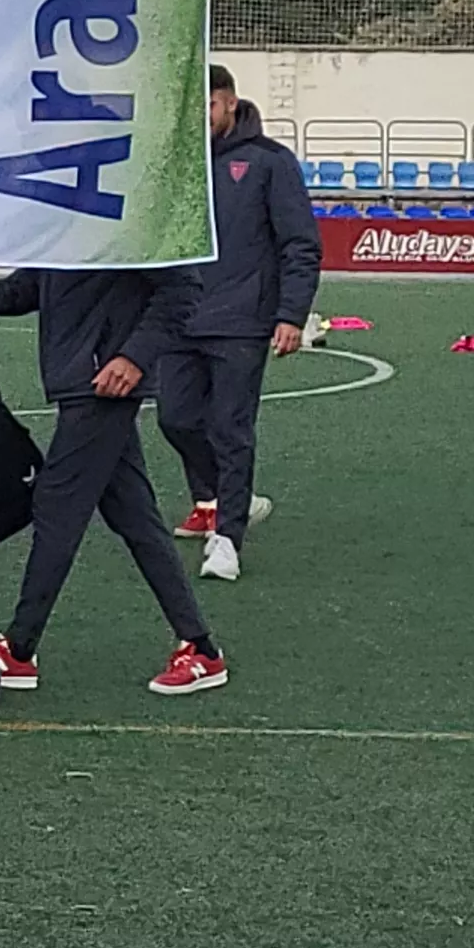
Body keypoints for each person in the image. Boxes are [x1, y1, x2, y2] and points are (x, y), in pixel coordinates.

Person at [0, 265, 231, 698]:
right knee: (135, 517)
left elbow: (183, 289)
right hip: (86, 377)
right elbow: (42, 278)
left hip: (104, 382)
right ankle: (201, 647)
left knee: (59, 506)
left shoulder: (140, 209)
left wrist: (133, 357)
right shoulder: (75, 218)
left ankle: (19, 648)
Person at [164, 65, 319, 583]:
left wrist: (290, 315)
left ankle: (226, 539)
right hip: (179, 317)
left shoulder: (270, 162)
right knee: (175, 418)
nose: (199, 116)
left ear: (230, 102)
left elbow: (300, 244)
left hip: (242, 321)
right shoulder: (177, 163)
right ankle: (225, 497)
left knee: (230, 429)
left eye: (207, 105)